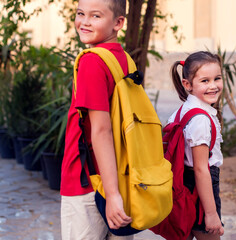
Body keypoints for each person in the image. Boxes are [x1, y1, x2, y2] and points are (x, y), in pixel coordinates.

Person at [60, 0, 133, 239]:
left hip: (86, 181)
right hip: (120, 176)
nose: (85, 22)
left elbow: (102, 130)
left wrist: (111, 195)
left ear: (118, 23)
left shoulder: (92, 61)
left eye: (96, 16)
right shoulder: (123, 59)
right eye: (81, 14)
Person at [168, 51, 225, 240]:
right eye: (205, 81)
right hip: (199, 188)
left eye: (217, 78)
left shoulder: (184, 110)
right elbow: (201, 169)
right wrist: (210, 214)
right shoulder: (200, 119)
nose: (213, 86)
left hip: (183, 185)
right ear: (188, 84)